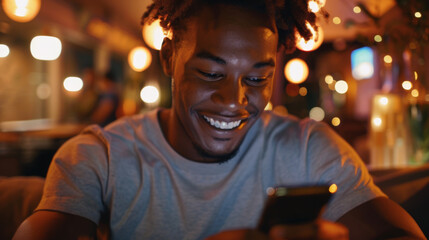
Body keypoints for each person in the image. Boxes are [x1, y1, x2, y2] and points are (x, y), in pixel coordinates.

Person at [13, 0, 426, 239]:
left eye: (257, 78)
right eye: (211, 74)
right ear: (169, 58)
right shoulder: (99, 158)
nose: (234, 100)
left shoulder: (306, 149)